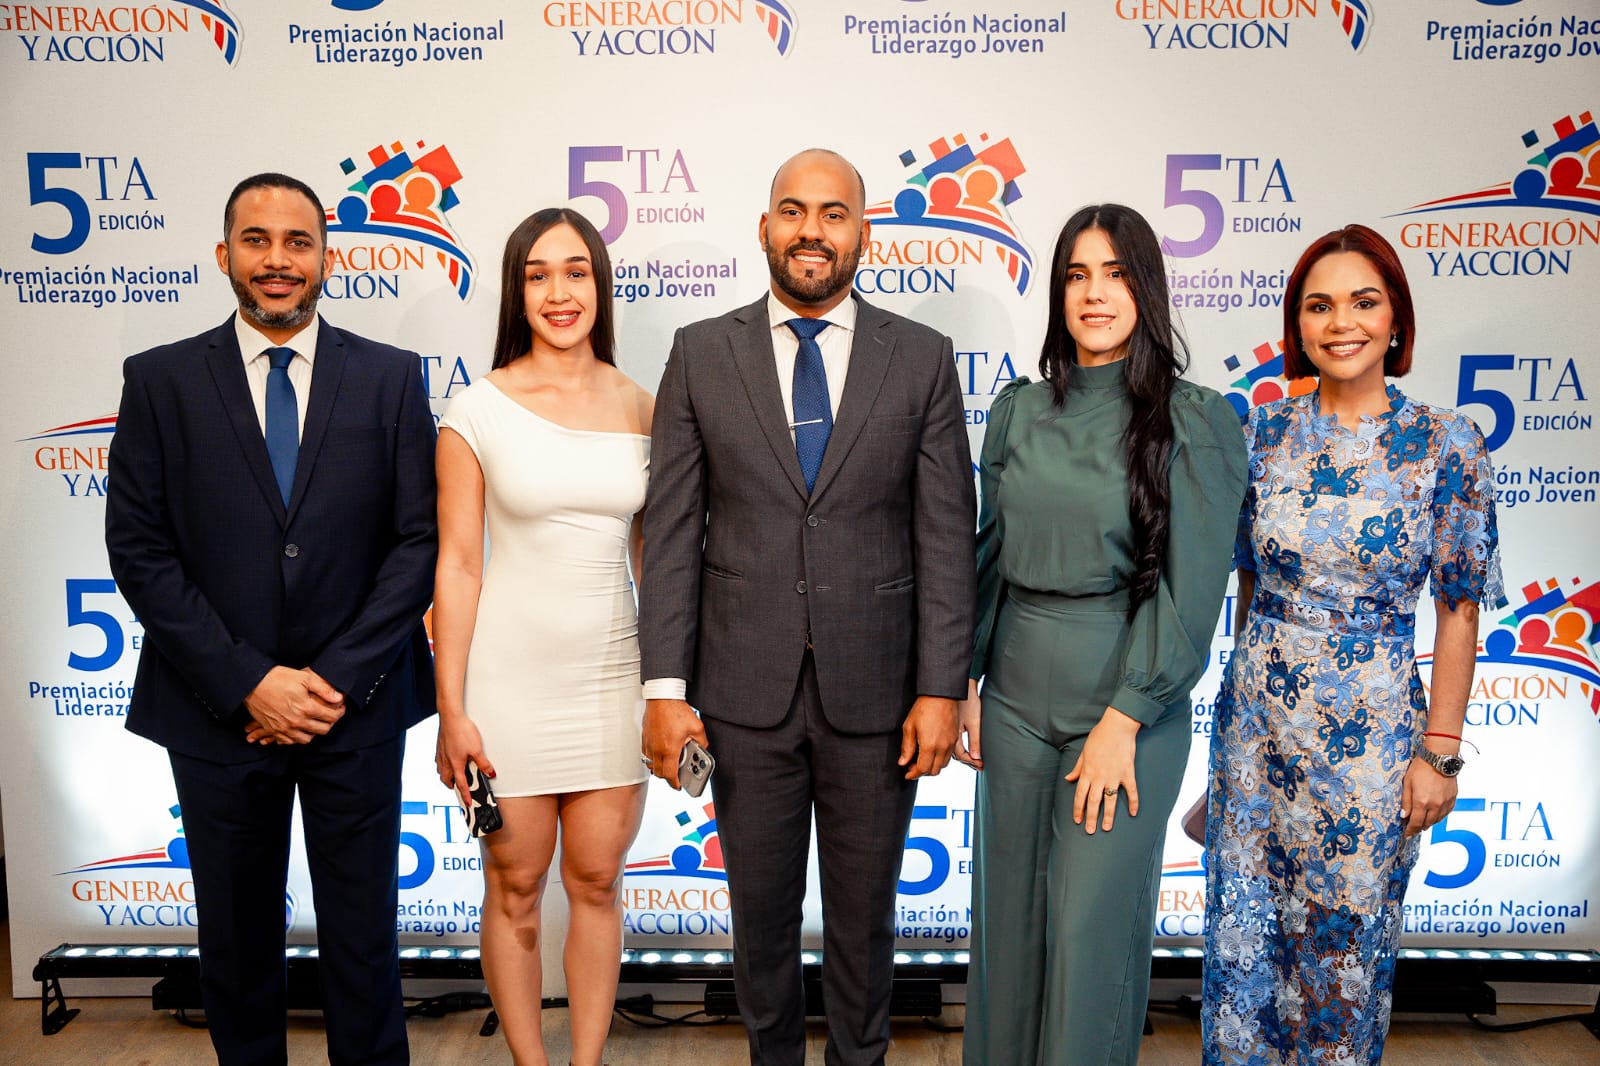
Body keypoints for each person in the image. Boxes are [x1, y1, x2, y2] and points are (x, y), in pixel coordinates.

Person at [637, 148, 976, 1066]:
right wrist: (665, 689)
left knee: (867, 928)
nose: (812, 231)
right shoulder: (701, 353)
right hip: (742, 696)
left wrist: (943, 687)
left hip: (880, 699)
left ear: (864, 232)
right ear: (763, 228)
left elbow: (946, 536)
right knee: (760, 926)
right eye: (793, 211)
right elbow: (670, 533)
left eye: (834, 214)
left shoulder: (923, 357)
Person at [105, 172, 438, 1066]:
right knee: (238, 946)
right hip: (218, 713)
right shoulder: (161, 381)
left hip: (353, 710)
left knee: (365, 945)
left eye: (298, 241)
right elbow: (139, 551)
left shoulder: (392, 378)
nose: (278, 261)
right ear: (225, 255)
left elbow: (417, 543)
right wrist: (248, 680)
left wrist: (330, 680)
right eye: (258, 241)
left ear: (328, 255)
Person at [1200, 224, 1503, 1064]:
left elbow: (1460, 611)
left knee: (1343, 966)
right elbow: (1249, 582)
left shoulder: (1447, 445)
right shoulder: (1259, 435)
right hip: (1257, 733)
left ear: (1396, 320)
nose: (1342, 322)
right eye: (1319, 305)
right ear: (1296, 325)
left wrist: (1439, 753)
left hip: (1370, 741)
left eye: (1364, 302)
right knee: (1246, 957)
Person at [960, 204, 1248, 1065]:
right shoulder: (1016, 410)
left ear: (1146, 288)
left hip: (1124, 703)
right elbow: (988, 555)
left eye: (1116, 274)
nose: (1095, 293)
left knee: (1090, 940)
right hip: (1012, 696)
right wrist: (967, 682)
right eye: (1077, 274)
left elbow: (1192, 594)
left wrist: (1126, 718)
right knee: (1007, 936)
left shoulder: (1194, 419)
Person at [432, 208, 652, 1066]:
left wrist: (670, 693)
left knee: (598, 883)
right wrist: (453, 710)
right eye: (537, 275)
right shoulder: (478, 409)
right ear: (517, 291)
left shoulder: (645, 405)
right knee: (515, 886)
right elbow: (458, 567)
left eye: (576, 272)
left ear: (599, 284)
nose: (559, 293)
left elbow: (657, 562)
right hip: (507, 687)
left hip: (611, 680)